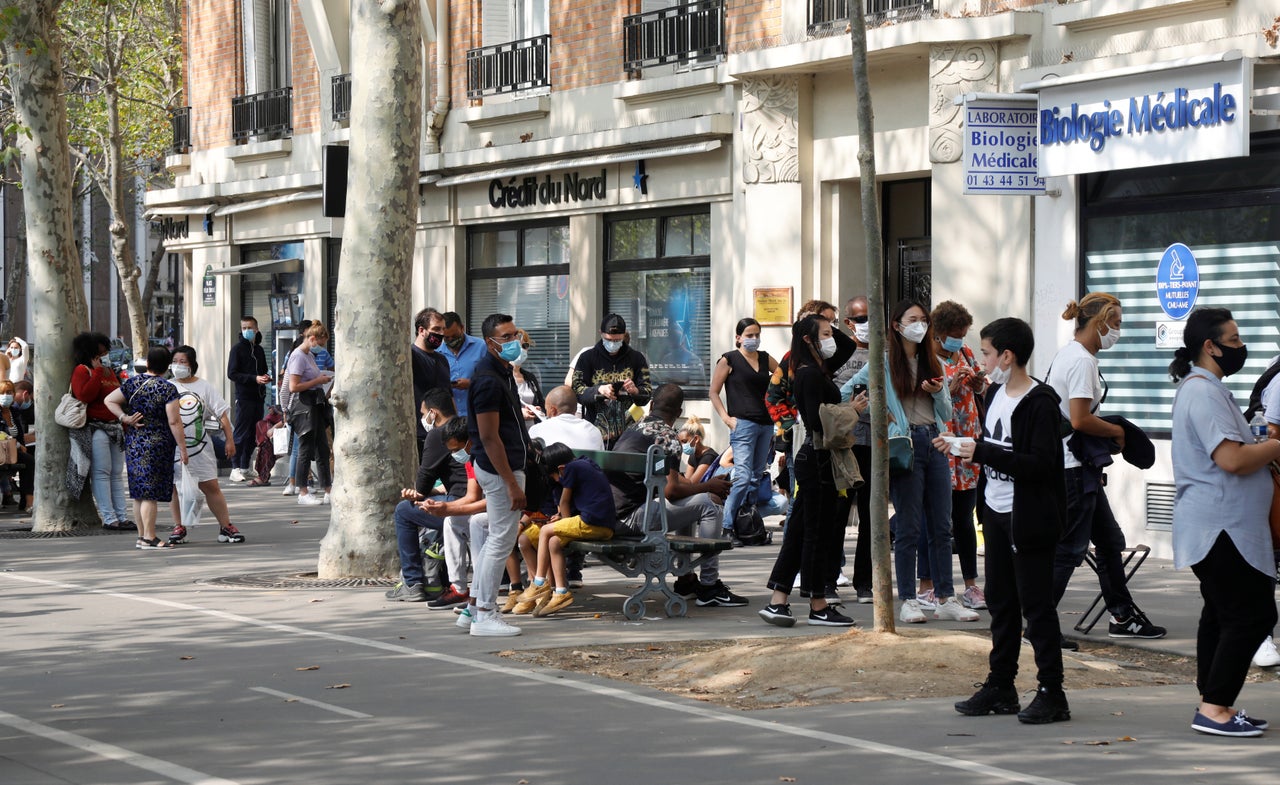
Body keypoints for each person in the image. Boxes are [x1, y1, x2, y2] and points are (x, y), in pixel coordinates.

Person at [945, 317, 1070, 725]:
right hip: (997, 512)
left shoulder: (1041, 403)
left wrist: (979, 453)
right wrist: (964, 446)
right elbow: (993, 447)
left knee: (1037, 607)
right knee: (1001, 602)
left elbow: (1038, 465)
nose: (982, 360)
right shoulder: (996, 393)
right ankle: (1001, 685)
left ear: (1007, 355)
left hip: (1028, 517)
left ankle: (1053, 692)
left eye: (985, 352)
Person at [1168, 307, 1277, 738]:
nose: (1240, 347)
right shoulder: (1203, 392)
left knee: (1221, 614)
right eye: (1232, 341)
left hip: (1223, 527)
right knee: (1251, 615)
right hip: (1221, 528)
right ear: (1209, 347)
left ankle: (1214, 703)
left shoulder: (1209, 389)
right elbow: (1231, 459)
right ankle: (1214, 709)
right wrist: (1275, 446)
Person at [845, 300, 979, 624]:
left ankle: (946, 597)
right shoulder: (884, 363)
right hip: (905, 445)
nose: (920, 325)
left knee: (942, 526)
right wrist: (877, 413)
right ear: (896, 324)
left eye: (923, 320)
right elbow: (846, 392)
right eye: (913, 319)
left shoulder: (930, 360)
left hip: (936, 441)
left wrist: (937, 391)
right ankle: (907, 599)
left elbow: (946, 413)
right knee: (908, 526)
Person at [1047, 293, 1165, 644]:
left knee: (1110, 541)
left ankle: (1122, 615)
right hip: (1072, 469)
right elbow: (1081, 420)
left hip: (1076, 467)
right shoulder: (1082, 361)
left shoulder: (1069, 354)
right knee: (1069, 549)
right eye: (1116, 324)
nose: (1118, 332)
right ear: (1100, 323)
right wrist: (1118, 433)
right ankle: (1037, 623)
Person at [758, 314, 859, 628]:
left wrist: (831, 324)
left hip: (814, 458)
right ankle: (818, 604)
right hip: (816, 459)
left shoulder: (817, 368)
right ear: (807, 340)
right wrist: (851, 410)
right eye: (825, 334)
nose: (831, 339)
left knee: (800, 532)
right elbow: (817, 422)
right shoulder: (808, 374)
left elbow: (846, 346)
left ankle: (778, 600)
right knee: (815, 535)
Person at [610, 383, 747, 608]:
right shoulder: (666, 436)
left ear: (652, 404)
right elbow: (671, 491)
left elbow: (672, 482)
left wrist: (703, 486)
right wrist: (708, 487)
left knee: (694, 500)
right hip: (632, 518)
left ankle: (685, 580)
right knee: (708, 505)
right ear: (679, 413)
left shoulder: (635, 428)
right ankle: (709, 586)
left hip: (615, 514)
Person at [459, 313, 532, 637]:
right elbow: (489, 437)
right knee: (501, 540)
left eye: (514, 334)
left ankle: (473, 609)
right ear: (490, 343)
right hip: (499, 470)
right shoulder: (488, 379)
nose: (514, 341)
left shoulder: (500, 372)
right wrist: (511, 482)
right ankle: (485, 614)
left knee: (496, 538)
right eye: (506, 337)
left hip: (504, 467)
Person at [917, 300, 987, 610]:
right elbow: (923, 398)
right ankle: (927, 584)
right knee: (935, 520)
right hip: (941, 442)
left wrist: (977, 383)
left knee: (964, 517)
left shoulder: (966, 353)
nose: (960, 339)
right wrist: (949, 386)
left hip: (968, 442)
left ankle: (971, 584)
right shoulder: (925, 359)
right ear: (939, 333)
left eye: (964, 333)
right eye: (955, 334)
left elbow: (980, 391)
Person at [385, 391, 473, 603]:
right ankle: (436, 578)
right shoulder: (465, 427)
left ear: (433, 413)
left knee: (404, 511)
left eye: (423, 413)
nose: (423, 418)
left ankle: (412, 581)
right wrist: (434, 491)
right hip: (467, 496)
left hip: (461, 503)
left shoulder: (438, 434)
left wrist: (418, 493)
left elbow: (423, 482)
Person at [515, 443, 617, 617]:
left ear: (561, 468)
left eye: (555, 476)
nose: (557, 480)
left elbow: (564, 502)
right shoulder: (584, 464)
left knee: (546, 530)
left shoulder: (571, 468)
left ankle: (539, 582)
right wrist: (562, 521)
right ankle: (561, 592)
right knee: (554, 541)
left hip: (593, 523)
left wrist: (563, 522)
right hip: (601, 524)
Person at [103, 347, 186, 549]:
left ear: (147, 363)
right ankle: (150, 537)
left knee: (139, 492)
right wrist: (183, 448)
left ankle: (142, 536)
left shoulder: (132, 383)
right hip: (158, 444)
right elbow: (174, 421)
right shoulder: (167, 389)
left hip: (134, 442)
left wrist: (124, 418)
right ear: (167, 366)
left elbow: (109, 400)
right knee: (151, 493)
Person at [164, 347, 245, 545]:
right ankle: (179, 526)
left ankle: (226, 527)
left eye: (183, 361)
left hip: (200, 449)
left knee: (210, 486)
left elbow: (222, 414)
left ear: (192, 364)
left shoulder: (204, 387)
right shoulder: (166, 386)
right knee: (175, 487)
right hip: (172, 448)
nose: (178, 365)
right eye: (175, 360)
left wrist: (229, 439)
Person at [709, 317, 779, 538]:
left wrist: (778, 409)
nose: (754, 339)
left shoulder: (766, 358)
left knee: (757, 476)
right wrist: (726, 418)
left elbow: (785, 378)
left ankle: (744, 522)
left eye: (757, 335)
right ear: (738, 338)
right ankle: (727, 526)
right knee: (742, 476)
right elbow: (713, 391)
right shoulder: (729, 360)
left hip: (766, 424)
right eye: (749, 335)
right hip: (743, 424)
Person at [71, 331, 132, 530]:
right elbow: (85, 396)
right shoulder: (82, 371)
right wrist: (96, 372)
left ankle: (122, 516)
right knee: (102, 473)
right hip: (96, 428)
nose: (105, 355)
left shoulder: (109, 371)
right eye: (101, 352)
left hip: (115, 427)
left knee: (116, 473)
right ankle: (109, 517)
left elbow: (119, 397)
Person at [834, 295, 873, 602]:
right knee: (838, 515)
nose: (867, 325)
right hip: (846, 447)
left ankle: (866, 583)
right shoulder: (840, 354)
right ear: (849, 323)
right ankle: (830, 577)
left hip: (876, 446)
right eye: (861, 319)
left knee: (871, 519)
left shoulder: (887, 353)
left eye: (872, 318)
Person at [572, 314, 653, 448]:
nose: (613, 344)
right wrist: (598, 390)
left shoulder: (637, 358)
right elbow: (576, 390)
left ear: (624, 336)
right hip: (595, 431)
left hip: (628, 434)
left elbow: (647, 392)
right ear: (601, 334)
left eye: (617, 340)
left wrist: (635, 391)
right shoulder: (587, 358)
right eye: (608, 339)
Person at [287, 322, 334, 505]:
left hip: (315, 404)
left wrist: (322, 381)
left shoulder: (309, 355)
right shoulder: (298, 356)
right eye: (320, 343)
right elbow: (293, 386)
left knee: (322, 448)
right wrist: (318, 380)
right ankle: (303, 491)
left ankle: (328, 489)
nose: (321, 348)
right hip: (304, 405)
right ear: (312, 339)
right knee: (305, 448)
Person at [227, 316, 270, 483]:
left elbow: (263, 369)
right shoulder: (237, 349)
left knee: (254, 432)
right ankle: (235, 467)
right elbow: (232, 373)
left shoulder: (258, 349)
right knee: (241, 432)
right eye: (244, 328)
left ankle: (245, 466)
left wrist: (265, 377)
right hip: (244, 397)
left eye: (250, 327)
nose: (247, 331)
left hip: (258, 397)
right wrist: (253, 378)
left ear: (256, 329)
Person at [411, 307, 451, 443]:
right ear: (422, 330)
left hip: (443, 435)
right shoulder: (410, 356)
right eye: (436, 329)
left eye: (443, 329)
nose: (441, 334)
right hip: (418, 435)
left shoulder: (442, 360)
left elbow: (448, 395)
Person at [528, 386, 604, 453]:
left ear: (553, 410)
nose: (546, 414)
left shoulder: (537, 430)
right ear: (576, 408)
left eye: (546, 410)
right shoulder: (594, 431)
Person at [441, 311, 486, 418]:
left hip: (477, 413)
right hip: (449, 417)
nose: (451, 340)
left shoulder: (481, 347)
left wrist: (472, 384)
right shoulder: (437, 353)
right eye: (446, 338)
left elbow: (493, 377)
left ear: (462, 327)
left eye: (455, 336)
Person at [0, 381, 34, 512]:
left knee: (29, 461)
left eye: (9, 392)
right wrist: (18, 444)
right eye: (2, 393)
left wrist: (21, 445)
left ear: (14, 394)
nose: (5, 396)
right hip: (2, 451)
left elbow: (19, 433)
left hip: (13, 451)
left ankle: (28, 502)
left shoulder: (15, 412)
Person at [510, 328, 546, 421]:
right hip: (511, 430)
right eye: (518, 345)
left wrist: (538, 409)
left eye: (525, 346)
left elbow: (540, 402)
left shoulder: (530, 376)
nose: (522, 349)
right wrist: (518, 413)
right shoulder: (501, 375)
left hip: (531, 430)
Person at [677, 415, 719, 483]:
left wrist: (672, 474)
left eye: (684, 441)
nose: (682, 445)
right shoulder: (693, 455)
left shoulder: (709, 457)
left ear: (696, 439)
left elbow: (692, 484)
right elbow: (687, 480)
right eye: (680, 442)